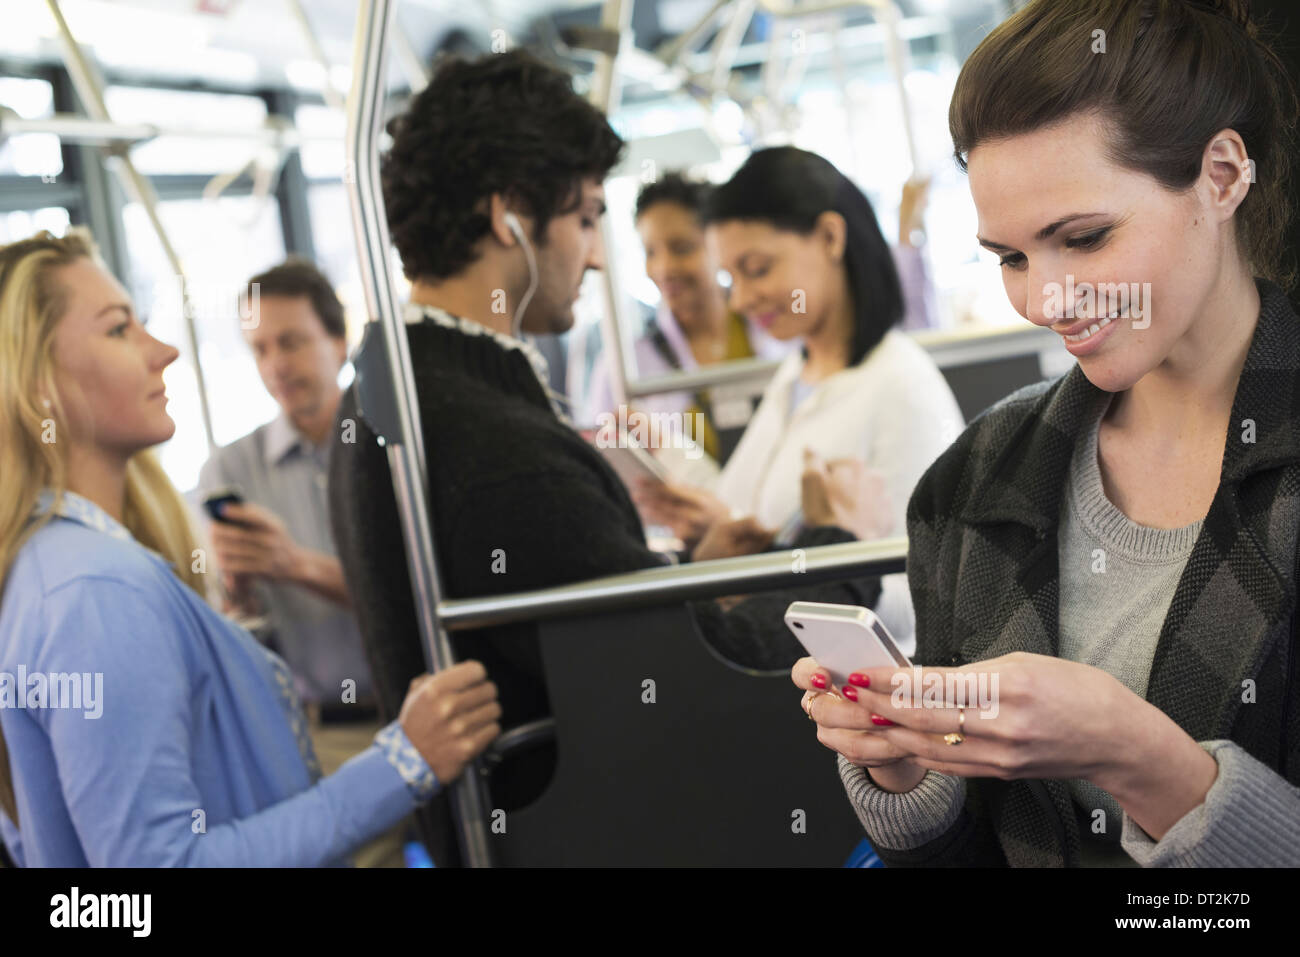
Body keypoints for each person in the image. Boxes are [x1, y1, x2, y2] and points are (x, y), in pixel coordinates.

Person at [796, 0, 1300, 867]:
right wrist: (911, 773)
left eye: (1086, 238)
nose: (1047, 300)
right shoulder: (976, 479)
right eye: (1012, 258)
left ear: (1221, 177)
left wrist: (1137, 756)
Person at [333, 50, 893, 801]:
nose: (597, 258)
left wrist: (692, 579)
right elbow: (680, 672)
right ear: (509, 219)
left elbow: (589, 632)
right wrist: (846, 555)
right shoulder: (498, 447)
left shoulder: (389, 390)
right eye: (586, 217)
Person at [0, 229, 500, 866]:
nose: (166, 350)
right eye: (120, 328)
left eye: (291, 342)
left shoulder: (63, 567)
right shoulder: (95, 590)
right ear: (40, 381)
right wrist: (404, 763)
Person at [633, 147, 966, 656]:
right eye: (731, 278)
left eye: (757, 269)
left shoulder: (901, 388)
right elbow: (752, 508)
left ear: (831, 237)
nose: (740, 300)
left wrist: (817, 559)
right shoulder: (798, 371)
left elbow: (932, 597)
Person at [197, 257, 409, 865]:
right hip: (331, 740)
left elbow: (418, 591)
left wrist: (295, 564)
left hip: (430, 702)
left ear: (339, 340)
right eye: (260, 348)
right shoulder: (233, 470)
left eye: (291, 342)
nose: (276, 365)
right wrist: (237, 593)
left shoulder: (395, 445)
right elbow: (240, 629)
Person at [578, 171, 793, 468]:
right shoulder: (622, 369)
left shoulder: (778, 333)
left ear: (716, 246)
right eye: (650, 252)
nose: (664, 268)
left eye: (682, 248)